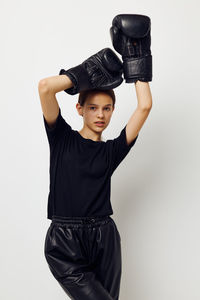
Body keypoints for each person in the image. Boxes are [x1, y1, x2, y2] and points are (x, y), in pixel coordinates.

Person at [38, 14, 152, 300]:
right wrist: (82, 75)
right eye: (92, 108)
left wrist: (136, 56)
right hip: (64, 241)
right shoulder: (61, 138)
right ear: (80, 109)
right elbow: (45, 87)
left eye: (106, 109)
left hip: (105, 238)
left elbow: (145, 106)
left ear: (113, 111)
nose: (100, 115)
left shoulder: (112, 151)